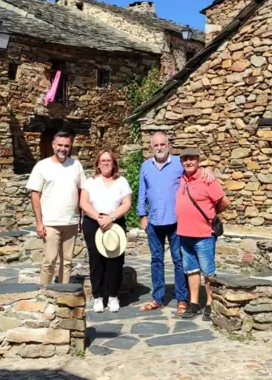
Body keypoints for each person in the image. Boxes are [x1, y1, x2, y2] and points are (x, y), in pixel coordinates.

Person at [136, 132, 215, 317]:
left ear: (168, 145)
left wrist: (207, 169)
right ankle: (158, 298)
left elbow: (195, 169)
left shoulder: (179, 164)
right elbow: (142, 192)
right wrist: (142, 216)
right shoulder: (146, 166)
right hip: (154, 221)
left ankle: (182, 298)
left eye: (162, 144)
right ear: (151, 147)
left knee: (179, 261)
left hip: (176, 222)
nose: (159, 147)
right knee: (156, 260)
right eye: (156, 145)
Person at [175, 148, 230, 320]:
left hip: (204, 234)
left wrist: (211, 215)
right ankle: (194, 303)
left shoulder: (207, 180)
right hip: (185, 234)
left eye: (191, 159)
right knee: (191, 270)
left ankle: (210, 303)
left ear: (198, 160)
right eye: (185, 159)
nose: (188, 162)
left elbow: (224, 202)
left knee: (208, 272)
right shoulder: (182, 179)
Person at [26, 131, 86, 285]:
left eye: (66, 146)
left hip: (71, 222)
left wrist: (81, 218)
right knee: (49, 261)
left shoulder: (76, 165)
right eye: (60, 145)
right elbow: (35, 195)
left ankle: (63, 292)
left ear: (70, 146)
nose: (63, 149)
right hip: (50, 222)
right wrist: (39, 223)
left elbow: (82, 192)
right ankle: (44, 293)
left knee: (67, 262)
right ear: (53, 145)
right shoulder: (42, 166)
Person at [80, 149, 132, 313]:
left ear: (114, 163)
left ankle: (113, 296)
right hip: (93, 222)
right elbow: (84, 203)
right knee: (96, 260)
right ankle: (98, 296)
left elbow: (126, 203)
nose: (105, 163)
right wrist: (98, 217)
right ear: (97, 164)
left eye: (108, 160)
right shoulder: (90, 182)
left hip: (115, 222)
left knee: (114, 260)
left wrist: (111, 217)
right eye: (102, 160)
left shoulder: (121, 181)